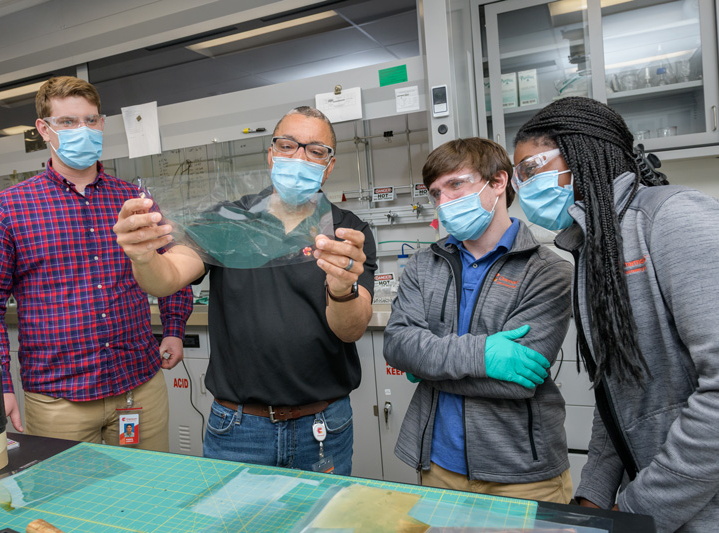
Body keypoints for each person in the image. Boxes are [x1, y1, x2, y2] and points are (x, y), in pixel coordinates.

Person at [113, 106, 377, 475]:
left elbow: (351, 329)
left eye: (315, 151)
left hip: (323, 426)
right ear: (271, 154)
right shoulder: (229, 220)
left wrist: (341, 287)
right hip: (238, 428)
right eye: (287, 145)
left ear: (329, 165)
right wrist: (143, 256)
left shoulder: (348, 233)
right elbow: (167, 276)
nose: (299, 157)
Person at [513, 96, 719, 532]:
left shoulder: (673, 216)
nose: (523, 187)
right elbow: (619, 398)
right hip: (658, 503)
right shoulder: (594, 249)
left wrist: (635, 510)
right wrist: (593, 498)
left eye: (531, 169)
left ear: (583, 154)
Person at [0, 76, 193, 452]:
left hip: (138, 389)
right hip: (59, 401)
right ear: (44, 129)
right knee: (66, 508)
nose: (81, 130)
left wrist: (174, 327)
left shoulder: (134, 200)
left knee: (151, 497)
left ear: (102, 124)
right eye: (67, 122)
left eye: (91, 120)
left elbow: (173, 265)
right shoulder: (7, 210)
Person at [383, 137, 573, 503]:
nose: (444, 201)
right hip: (437, 465)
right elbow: (397, 346)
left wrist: (428, 369)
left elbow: (518, 385)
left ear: (499, 182)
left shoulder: (548, 272)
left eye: (456, 184)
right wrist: (483, 356)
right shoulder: (424, 264)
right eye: (436, 193)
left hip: (521, 473)